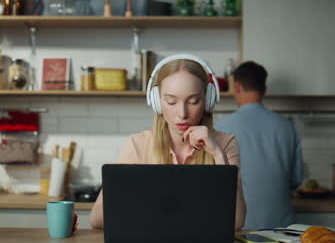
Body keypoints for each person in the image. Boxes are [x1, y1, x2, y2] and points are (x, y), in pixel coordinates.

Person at [90, 54, 246, 230]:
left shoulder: (225, 144)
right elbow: (96, 218)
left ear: (208, 101)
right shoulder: (137, 144)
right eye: (171, 101)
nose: (182, 113)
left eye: (194, 101)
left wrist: (218, 155)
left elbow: (236, 221)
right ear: (157, 102)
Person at [215, 61, 303, 230]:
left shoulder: (221, 128)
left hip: (240, 227)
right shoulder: (286, 126)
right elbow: (296, 179)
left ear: (237, 87)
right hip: (283, 228)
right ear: (264, 90)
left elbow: (217, 185)